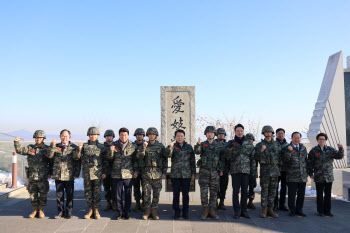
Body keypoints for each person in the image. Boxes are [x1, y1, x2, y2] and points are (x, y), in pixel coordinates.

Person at [14, 130, 52, 218]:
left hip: (43, 176)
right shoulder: (30, 148)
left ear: (43, 138)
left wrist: (50, 172)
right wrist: (16, 142)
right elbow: (20, 150)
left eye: (40, 137)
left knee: (43, 194)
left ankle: (41, 210)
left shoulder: (47, 149)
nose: (38, 139)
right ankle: (35, 210)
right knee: (32, 194)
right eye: (36, 137)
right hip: (32, 176)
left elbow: (51, 162)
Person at [307, 132, 344, 217]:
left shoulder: (330, 149)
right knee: (319, 195)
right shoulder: (314, 150)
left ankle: (327, 211)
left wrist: (340, 148)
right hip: (318, 176)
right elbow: (309, 163)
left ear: (326, 140)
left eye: (323, 139)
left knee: (327, 195)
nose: (321, 141)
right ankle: (320, 211)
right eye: (320, 139)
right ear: (317, 140)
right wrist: (310, 173)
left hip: (328, 176)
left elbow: (339, 156)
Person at [73, 127, 106, 219]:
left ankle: (96, 210)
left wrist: (104, 172)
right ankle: (90, 210)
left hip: (97, 174)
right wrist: (79, 149)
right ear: (88, 135)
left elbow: (105, 161)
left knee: (97, 192)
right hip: (87, 174)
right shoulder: (84, 146)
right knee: (88, 193)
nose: (93, 136)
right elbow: (76, 157)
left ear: (97, 136)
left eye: (94, 135)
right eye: (91, 135)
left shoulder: (101, 147)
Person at [47, 129, 81, 219]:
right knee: (59, 195)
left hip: (69, 175)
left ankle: (69, 211)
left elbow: (77, 161)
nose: (64, 137)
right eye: (63, 136)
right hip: (58, 174)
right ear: (60, 137)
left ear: (69, 137)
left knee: (70, 194)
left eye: (66, 136)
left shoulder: (74, 147)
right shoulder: (56, 146)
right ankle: (60, 212)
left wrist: (76, 173)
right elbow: (49, 157)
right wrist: (52, 145)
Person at [104, 127, 138, 220]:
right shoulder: (114, 145)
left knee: (128, 195)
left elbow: (135, 160)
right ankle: (119, 212)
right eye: (122, 135)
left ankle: (127, 212)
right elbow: (109, 159)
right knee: (117, 196)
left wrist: (136, 171)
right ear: (119, 135)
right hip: (116, 174)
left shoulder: (132, 145)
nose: (123, 136)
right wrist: (111, 152)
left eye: (125, 135)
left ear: (128, 135)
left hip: (128, 174)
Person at [225, 124, 256, 219]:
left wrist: (253, 172)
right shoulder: (231, 143)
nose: (240, 132)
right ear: (235, 132)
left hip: (246, 171)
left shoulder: (248, 143)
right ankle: (237, 211)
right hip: (235, 171)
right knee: (235, 192)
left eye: (241, 130)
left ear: (243, 131)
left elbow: (252, 158)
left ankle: (244, 211)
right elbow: (227, 156)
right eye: (238, 130)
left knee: (244, 192)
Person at [164, 129, 196, 219]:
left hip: (186, 175)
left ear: (184, 137)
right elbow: (166, 155)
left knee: (186, 195)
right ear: (175, 137)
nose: (180, 137)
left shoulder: (189, 147)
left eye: (181, 136)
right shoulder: (172, 146)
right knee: (176, 194)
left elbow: (192, 161)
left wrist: (193, 173)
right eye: (178, 136)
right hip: (175, 175)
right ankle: (176, 212)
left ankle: (186, 212)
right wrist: (170, 148)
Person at [137, 127, 166, 220]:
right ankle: (147, 211)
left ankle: (154, 211)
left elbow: (165, 160)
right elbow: (139, 157)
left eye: (153, 134)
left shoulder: (161, 146)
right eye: (150, 134)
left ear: (156, 135)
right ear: (148, 136)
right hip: (146, 174)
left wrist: (164, 172)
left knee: (156, 194)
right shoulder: (144, 145)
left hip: (157, 173)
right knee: (146, 194)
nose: (151, 136)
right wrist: (143, 148)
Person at [195, 126, 223, 220]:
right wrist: (198, 143)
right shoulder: (203, 144)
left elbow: (221, 158)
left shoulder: (219, 145)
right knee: (204, 192)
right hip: (204, 171)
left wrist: (221, 169)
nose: (210, 134)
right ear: (206, 134)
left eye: (212, 132)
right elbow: (197, 151)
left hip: (215, 171)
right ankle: (205, 210)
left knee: (214, 192)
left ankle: (212, 210)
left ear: (214, 134)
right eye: (208, 132)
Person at [255, 125, 281, 218]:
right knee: (264, 191)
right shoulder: (259, 145)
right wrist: (261, 151)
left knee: (273, 191)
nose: (268, 134)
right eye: (266, 132)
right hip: (265, 171)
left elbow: (280, 158)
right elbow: (256, 158)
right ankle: (264, 209)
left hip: (274, 171)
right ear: (264, 133)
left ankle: (270, 208)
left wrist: (279, 170)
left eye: (270, 132)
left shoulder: (276, 144)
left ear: (272, 133)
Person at [283, 132, 308, 217]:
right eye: (295, 137)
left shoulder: (303, 148)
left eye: (298, 138)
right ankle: (292, 210)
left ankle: (299, 210)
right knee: (292, 195)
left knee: (301, 195)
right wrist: (289, 152)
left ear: (300, 138)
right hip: (292, 176)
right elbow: (285, 161)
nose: (297, 139)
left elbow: (305, 161)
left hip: (302, 176)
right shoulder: (287, 147)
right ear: (292, 138)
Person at [274, 128, 289, 211]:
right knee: (274, 187)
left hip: (285, 170)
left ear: (284, 134)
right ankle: (274, 204)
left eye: (282, 133)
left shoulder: (288, 145)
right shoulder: (273, 144)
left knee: (284, 188)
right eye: (279, 133)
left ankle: (282, 204)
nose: (280, 135)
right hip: (276, 169)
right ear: (276, 135)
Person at [102, 129, 116, 211]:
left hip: (114, 171)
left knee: (114, 189)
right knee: (106, 189)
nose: (109, 138)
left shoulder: (116, 146)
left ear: (113, 137)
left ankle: (114, 203)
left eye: (110, 136)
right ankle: (108, 203)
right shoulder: (102, 147)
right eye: (107, 136)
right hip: (105, 171)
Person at [132, 128, 146, 211]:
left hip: (145, 170)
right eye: (137, 135)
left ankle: (144, 202)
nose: (139, 136)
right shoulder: (132, 145)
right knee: (136, 188)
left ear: (143, 136)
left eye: (140, 135)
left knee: (145, 188)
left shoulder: (146, 144)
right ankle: (137, 203)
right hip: (135, 170)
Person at [215, 128, 229, 210]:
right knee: (215, 185)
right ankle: (215, 201)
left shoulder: (227, 145)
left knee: (224, 185)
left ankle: (222, 202)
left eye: (222, 134)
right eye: (219, 134)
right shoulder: (214, 144)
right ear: (217, 135)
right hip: (215, 168)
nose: (221, 135)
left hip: (225, 168)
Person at [246, 133, 258, 210]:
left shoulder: (255, 149)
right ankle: (243, 202)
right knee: (244, 188)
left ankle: (250, 201)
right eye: (248, 140)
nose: (250, 141)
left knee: (252, 187)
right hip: (245, 171)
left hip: (253, 171)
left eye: (251, 140)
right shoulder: (244, 149)